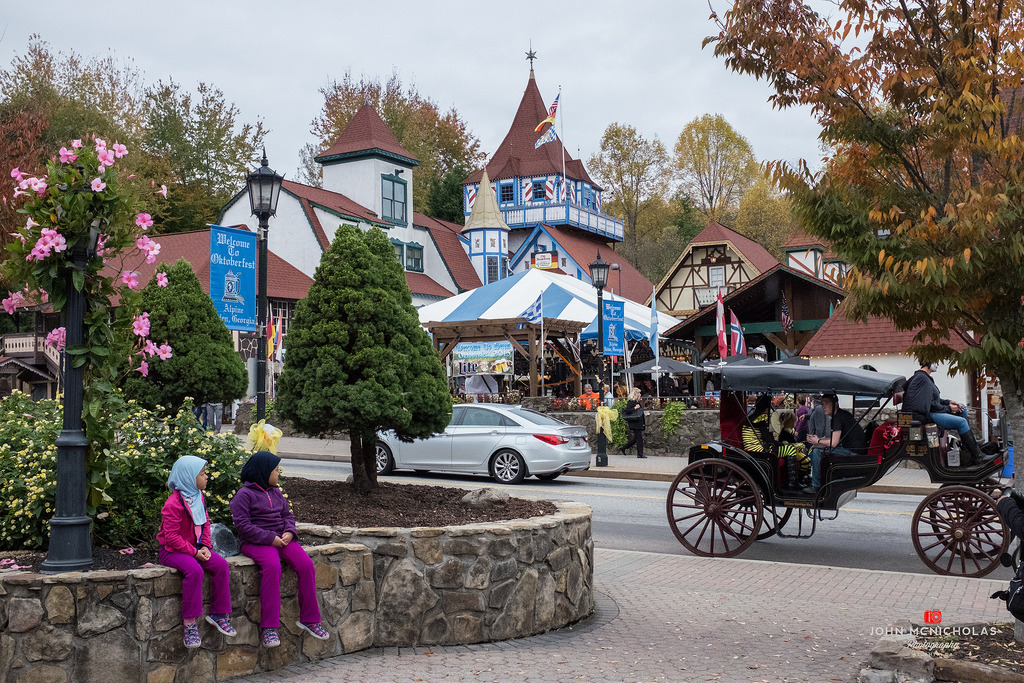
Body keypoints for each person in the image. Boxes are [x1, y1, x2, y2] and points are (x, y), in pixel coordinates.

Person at [230, 451, 329, 647]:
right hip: (256, 542)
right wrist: (269, 538)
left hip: (281, 539)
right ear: (263, 472)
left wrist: (290, 532)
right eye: (276, 470)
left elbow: (287, 516)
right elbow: (243, 526)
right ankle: (269, 627)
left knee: (306, 565)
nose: (278, 474)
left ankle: (309, 619)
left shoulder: (275, 492)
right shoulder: (244, 495)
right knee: (273, 567)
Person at [157, 455, 236, 649]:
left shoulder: (198, 497)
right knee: (195, 571)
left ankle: (218, 614)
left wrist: (206, 547)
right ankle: (190, 625)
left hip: (196, 549)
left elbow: (206, 523)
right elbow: (171, 537)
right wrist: (194, 552)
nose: (207, 476)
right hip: (172, 551)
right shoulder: (173, 504)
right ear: (188, 477)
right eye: (202, 473)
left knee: (221, 565)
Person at [903, 360, 994, 466]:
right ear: (928, 363)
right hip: (925, 416)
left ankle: (967, 447)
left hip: (930, 412)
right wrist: (948, 409)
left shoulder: (925, 378)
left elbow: (935, 400)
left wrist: (949, 402)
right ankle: (978, 457)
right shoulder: (922, 379)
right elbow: (927, 405)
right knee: (961, 422)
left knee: (963, 408)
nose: (937, 365)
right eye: (935, 362)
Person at [741, 396, 807, 491]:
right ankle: (792, 482)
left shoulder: (753, 417)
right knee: (791, 450)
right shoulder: (761, 419)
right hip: (758, 450)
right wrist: (784, 445)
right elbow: (769, 440)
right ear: (766, 408)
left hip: (754, 447)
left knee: (788, 448)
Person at [805, 394, 867, 493]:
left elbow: (833, 443)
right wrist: (816, 442)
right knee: (818, 449)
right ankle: (821, 479)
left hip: (853, 452)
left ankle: (815, 486)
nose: (823, 406)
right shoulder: (842, 415)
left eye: (827, 403)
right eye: (822, 404)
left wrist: (818, 441)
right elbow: (834, 441)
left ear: (836, 404)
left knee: (817, 452)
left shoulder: (837, 418)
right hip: (852, 449)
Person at [621, 387, 647, 458]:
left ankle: (624, 448)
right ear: (635, 393)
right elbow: (628, 410)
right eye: (638, 393)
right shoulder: (631, 401)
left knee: (637, 438)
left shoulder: (637, 401)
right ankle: (640, 454)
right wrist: (635, 408)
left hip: (638, 421)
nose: (640, 394)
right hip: (635, 422)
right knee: (639, 438)